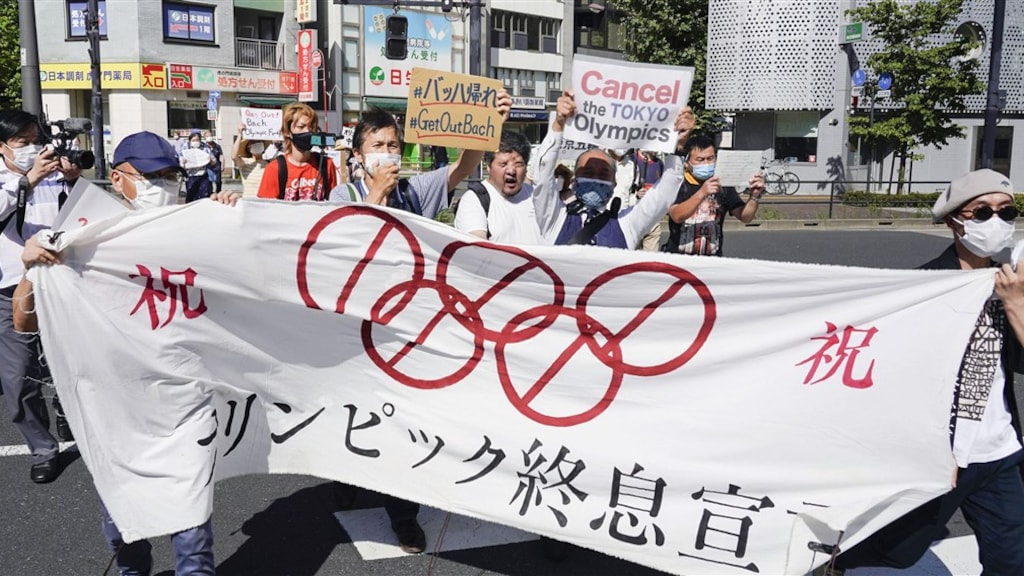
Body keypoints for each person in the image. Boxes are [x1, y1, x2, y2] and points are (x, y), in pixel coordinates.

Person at [16, 131, 241, 576]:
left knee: (193, 533)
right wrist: (30, 271)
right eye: (150, 175)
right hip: (113, 407)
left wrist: (235, 217)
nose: (163, 184)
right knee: (124, 529)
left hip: (184, 402)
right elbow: (26, 323)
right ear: (118, 179)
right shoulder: (78, 239)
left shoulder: (197, 225)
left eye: (170, 174)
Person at [329, 93, 511, 555]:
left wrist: (489, 120)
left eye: (394, 144)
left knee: (401, 423)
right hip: (355, 330)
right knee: (353, 413)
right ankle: (347, 474)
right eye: (378, 145)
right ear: (358, 155)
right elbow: (338, 249)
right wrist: (375, 197)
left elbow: (465, 164)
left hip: (408, 329)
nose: (388, 153)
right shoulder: (341, 197)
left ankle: (404, 516)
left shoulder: (416, 190)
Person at [819, 169, 1024, 576]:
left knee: (1011, 559)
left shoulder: (1012, 284)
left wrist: (1015, 302)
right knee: (894, 546)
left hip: (999, 452)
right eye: (981, 213)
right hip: (939, 452)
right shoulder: (925, 285)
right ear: (955, 221)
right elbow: (902, 375)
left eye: (1007, 211)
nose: (996, 222)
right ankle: (831, 564)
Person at [0, 109, 80, 484]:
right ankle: (43, 449)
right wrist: (27, 181)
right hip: (10, 289)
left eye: (37, 139)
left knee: (72, 359)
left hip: (60, 282)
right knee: (18, 377)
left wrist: (75, 181)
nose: (33, 148)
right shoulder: (14, 179)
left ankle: (70, 415)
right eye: (22, 142)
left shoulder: (53, 177)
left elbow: (83, 218)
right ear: (3, 147)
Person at [530, 91, 688, 249]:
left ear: (614, 183)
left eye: (603, 174)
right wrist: (558, 124)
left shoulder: (627, 225)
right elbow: (542, 174)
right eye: (588, 172)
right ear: (574, 180)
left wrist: (678, 146)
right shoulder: (554, 218)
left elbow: (664, 194)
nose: (595, 178)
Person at [662, 133, 765, 256]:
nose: (706, 163)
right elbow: (676, 216)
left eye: (710, 158)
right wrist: (702, 192)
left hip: (712, 262)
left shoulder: (723, 185)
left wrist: (754, 196)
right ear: (687, 162)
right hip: (680, 261)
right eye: (700, 159)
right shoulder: (677, 183)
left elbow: (745, 217)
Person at [453, 130, 544, 244]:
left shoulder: (536, 197)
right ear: (489, 167)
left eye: (518, 164)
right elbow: (476, 250)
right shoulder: (473, 200)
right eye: (503, 164)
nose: (511, 171)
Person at [257, 103, 337, 201]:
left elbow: (334, 206)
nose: (308, 131)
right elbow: (265, 210)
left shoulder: (326, 165)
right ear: (287, 132)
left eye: (311, 127)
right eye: (301, 127)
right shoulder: (274, 169)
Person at [230, 125, 269, 198]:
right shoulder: (245, 162)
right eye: (253, 142)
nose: (257, 143)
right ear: (248, 147)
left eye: (259, 141)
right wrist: (239, 135)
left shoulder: (269, 163)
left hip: (264, 201)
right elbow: (234, 156)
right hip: (249, 201)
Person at [180, 131, 213, 203]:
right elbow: (180, 160)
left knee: (204, 196)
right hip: (191, 176)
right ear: (190, 141)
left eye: (197, 140)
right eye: (193, 140)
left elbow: (214, 161)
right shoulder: (185, 147)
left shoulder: (205, 147)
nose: (195, 142)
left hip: (203, 175)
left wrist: (210, 160)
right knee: (191, 196)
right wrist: (183, 162)